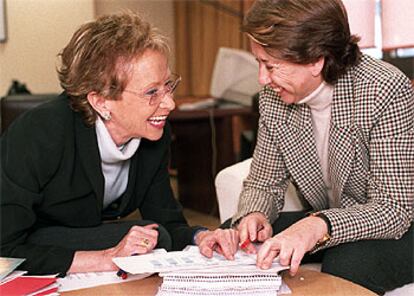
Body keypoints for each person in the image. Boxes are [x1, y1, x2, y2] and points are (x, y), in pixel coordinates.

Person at [198, 0, 413, 294]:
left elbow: (393, 209)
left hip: (402, 222)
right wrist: (253, 216)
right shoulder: (273, 98)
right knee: (232, 235)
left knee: (349, 262)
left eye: (270, 65)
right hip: (336, 218)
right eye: (258, 63)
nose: (262, 79)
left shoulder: (384, 89)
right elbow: (264, 182)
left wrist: (316, 226)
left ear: (316, 59)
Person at [0, 12, 236, 276]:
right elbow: (4, 248)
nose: (169, 103)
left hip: (78, 239)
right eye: (152, 92)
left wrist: (201, 237)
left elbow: (167, 222)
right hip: (25, 242)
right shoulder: (39, 133)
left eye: (168, 85)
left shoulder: (152, 133)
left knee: (157, 236)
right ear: (101, 101)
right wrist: (105, 259)